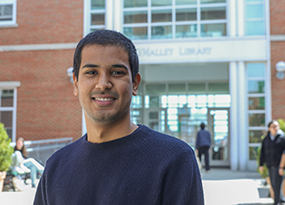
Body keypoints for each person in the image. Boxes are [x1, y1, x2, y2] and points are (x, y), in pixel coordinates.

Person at [33, 30, 204, 205]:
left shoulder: (174, 159)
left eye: (116, 72)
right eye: (91, 72)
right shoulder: (56, 166)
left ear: (135, 84)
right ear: (76, 83)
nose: (103, 84)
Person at [259, 120, 285, 205]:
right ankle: (281, 199)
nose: (276, 128)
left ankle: (276, 202)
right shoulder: (266, 139)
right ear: (269, 128)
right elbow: (262, 152)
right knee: (273, 183)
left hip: (279, 164)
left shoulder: (282, 138)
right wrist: (261, 164)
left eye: (277, 126)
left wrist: (282, 166)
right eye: (273, 126)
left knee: (277, 183)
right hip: (270, 164)